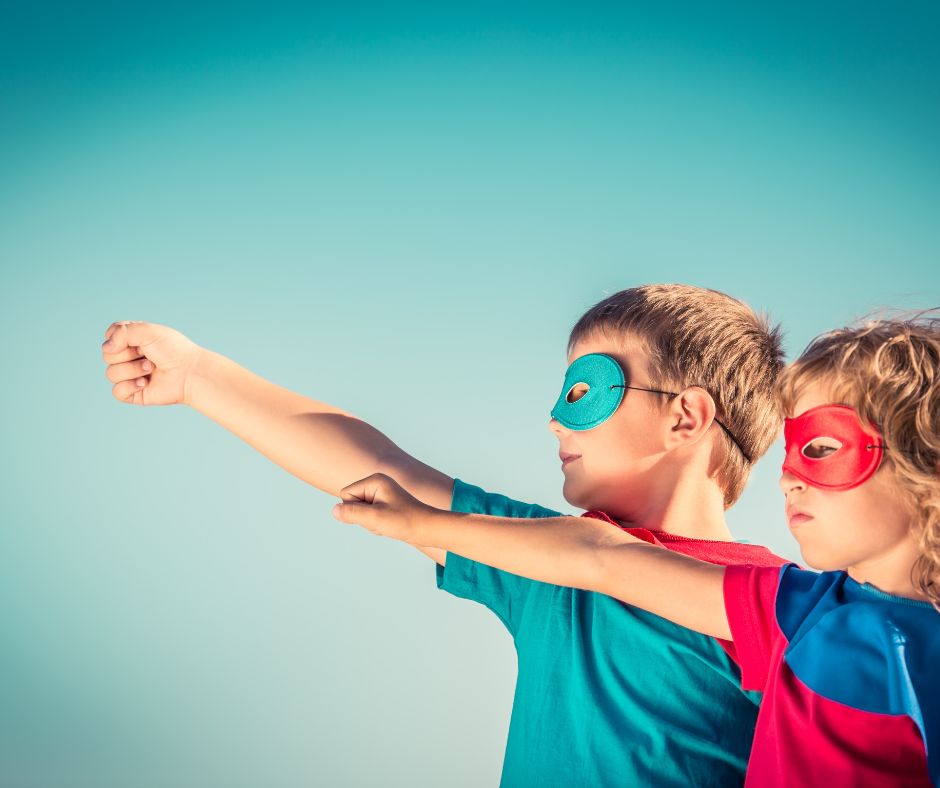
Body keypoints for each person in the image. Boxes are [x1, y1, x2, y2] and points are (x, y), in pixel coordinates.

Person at [102, 284, 787, 787]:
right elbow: (378, 466)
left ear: (685, 417)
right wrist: (198, 376)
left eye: (583, 393)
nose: (554, 420)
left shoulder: (785, 608)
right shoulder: (545, 567)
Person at [334, 314, 940, 788]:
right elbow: (602, 556)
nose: (787, 478)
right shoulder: (792, 611)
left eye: (820, 448)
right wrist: (423, 523)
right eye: (788, 452)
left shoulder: (802, 614)